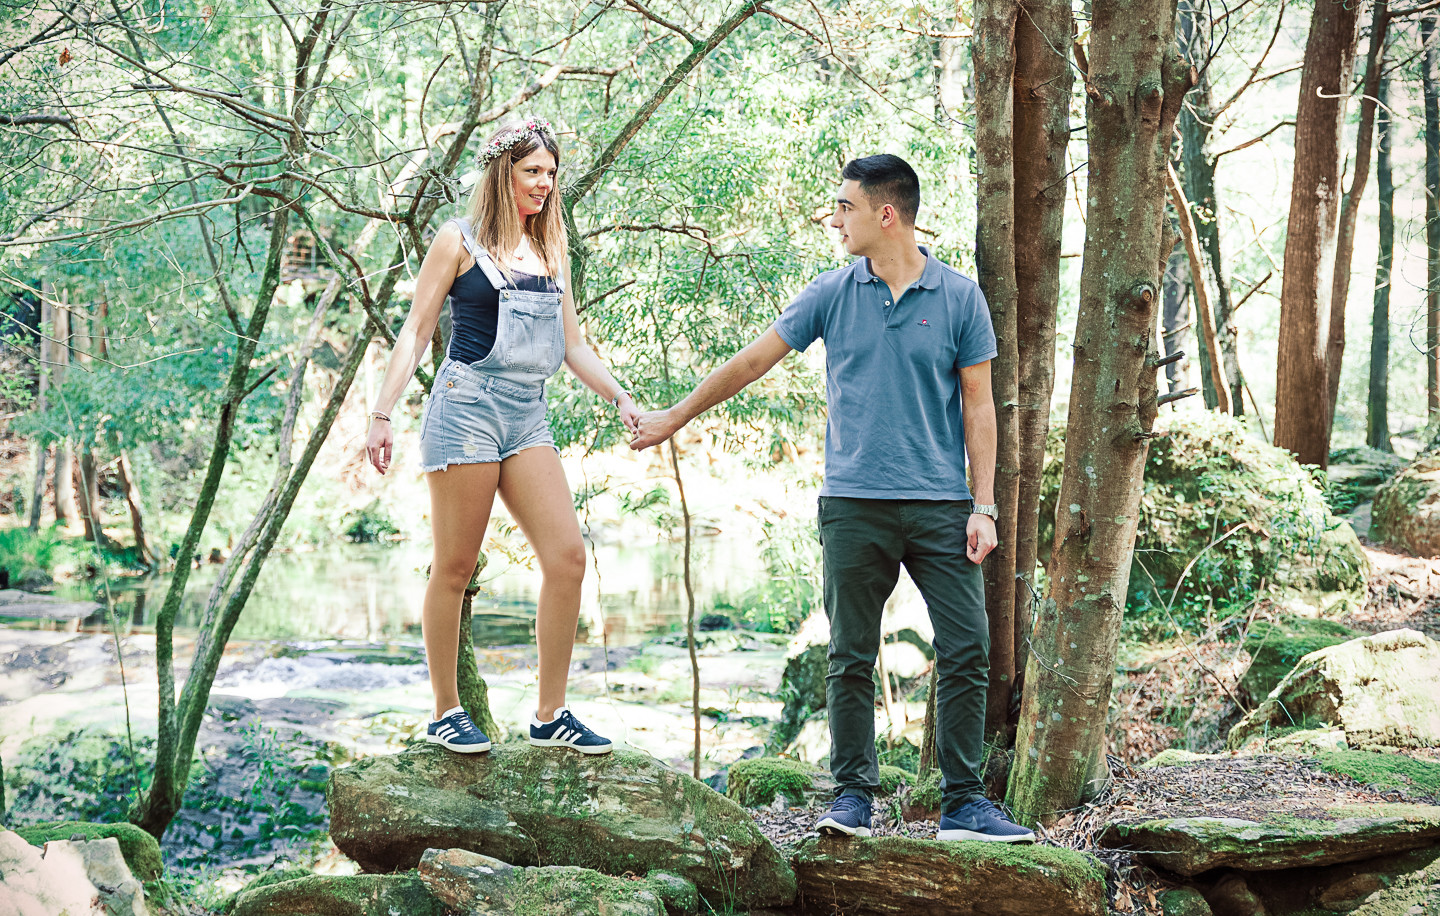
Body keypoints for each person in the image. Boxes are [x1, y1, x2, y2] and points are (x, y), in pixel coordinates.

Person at [630, 154, 1034, 842]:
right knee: (850, 652)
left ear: (886, 214)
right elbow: (753, 360)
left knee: (968, 649)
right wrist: (675, 416)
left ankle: (963, 803)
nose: (834, 218)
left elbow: (980, 410)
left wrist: (983, 504)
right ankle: (853, 797)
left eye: (844, 206)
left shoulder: (960, 297)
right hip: (853, 503)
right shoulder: (832, 292)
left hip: (942, 507)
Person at [366, 116, 638, 757]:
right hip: (465, 408)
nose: (543, 184)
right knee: (456, 567)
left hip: (527, 414)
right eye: (531, 172)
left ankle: (549, 715)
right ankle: (445, 712)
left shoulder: (551, 248)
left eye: (550, 173)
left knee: (567, 557)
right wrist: (381, 413)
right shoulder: (458, 240)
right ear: (502, 173)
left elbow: (573, 346)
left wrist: (621, 395)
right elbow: (414, 331)